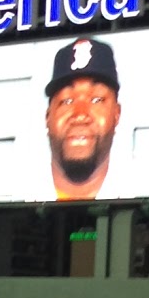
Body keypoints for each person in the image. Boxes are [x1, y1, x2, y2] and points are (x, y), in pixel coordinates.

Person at [43, 39, 122, 201]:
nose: (80, 115)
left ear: (116, 115)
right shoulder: (11, 192)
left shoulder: (144, 194)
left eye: (96, 100)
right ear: (48, 117)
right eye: (66, 100)